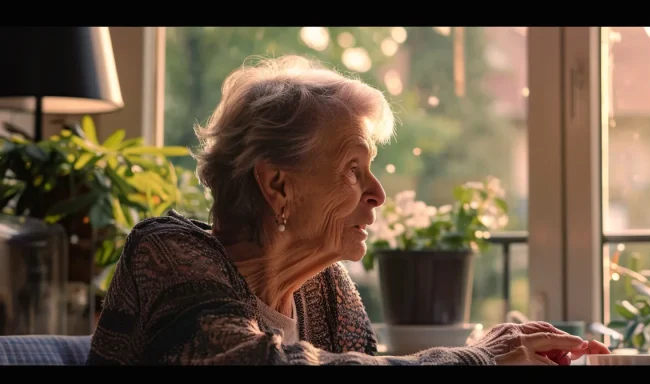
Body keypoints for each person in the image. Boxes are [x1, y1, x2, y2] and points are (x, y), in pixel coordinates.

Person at [87, 55, 609, 365]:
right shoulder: (167, 253)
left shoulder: (325, 289)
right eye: (353, 169)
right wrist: (474, 357)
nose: (377, 192)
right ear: (277, 185)